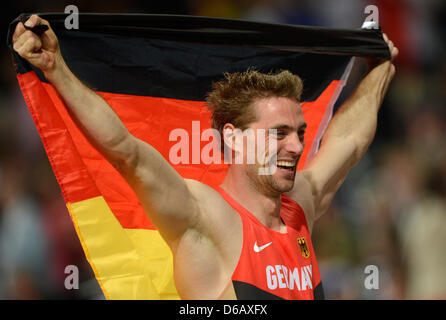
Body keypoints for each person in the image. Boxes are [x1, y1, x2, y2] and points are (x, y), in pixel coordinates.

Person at [12, 14, 398, 300]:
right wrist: (56, 69)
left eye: (299, 133)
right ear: (235, 138)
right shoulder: (204, 217)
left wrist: (380, 67)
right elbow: (127, 152)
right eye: (278, 134)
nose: (296, 147)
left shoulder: (300, 206)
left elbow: (349, 140)